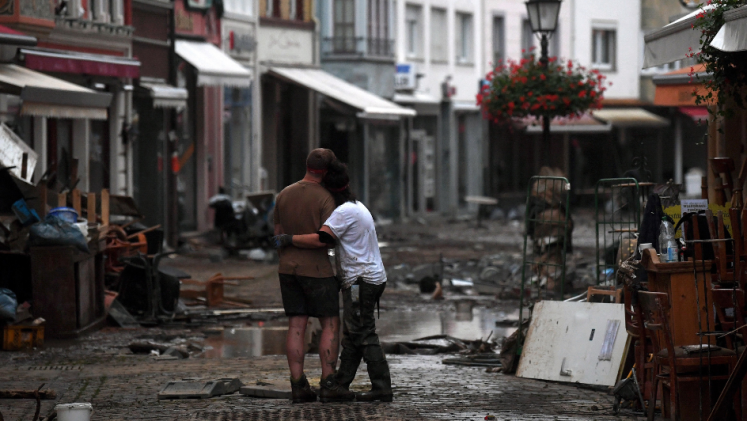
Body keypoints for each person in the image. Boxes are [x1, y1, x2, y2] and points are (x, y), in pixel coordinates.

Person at [273, 160, 393, 403]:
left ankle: (382, 387)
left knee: (364, 333)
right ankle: (338, 384)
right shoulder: (356, 206)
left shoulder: (343, 212)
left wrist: (289, 239)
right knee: (353, 333)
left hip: (361, 282)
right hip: (365, 279)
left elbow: (321, 239)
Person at [273, 149, 354, 403]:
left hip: (287, 268)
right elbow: (325, 239)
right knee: (329, 323)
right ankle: (328, 382)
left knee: (297, 325)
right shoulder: (326, 198)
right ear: (327, 171)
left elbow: (278, 234)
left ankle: (298, 385)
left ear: (307, 166)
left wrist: (290, 245)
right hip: (318, 271)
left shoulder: (284, 194)